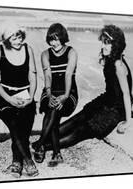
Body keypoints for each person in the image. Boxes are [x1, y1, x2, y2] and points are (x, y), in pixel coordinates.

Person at [32, 24, 133, 162]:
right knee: (76, 120)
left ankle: (41, 145)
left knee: (80, 132)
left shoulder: (118, 65)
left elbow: (127, 94)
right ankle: (41, 143)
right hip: (104, 101)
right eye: (103, 42)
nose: (103, 46)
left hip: (114, 110)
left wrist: (127, 121)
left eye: (107, 43)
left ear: (116, 45)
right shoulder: (109, 59)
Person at [0, 21, 38, 178]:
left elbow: (32, 75)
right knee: (14, 124)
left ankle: (16, 163)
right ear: (6, 40)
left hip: (25, 96)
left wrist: (31, 97)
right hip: (5, 98)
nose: (18, 41)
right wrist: (9, 100)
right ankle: (28, 160)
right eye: (14, 39)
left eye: (19, 37)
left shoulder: (28, 49)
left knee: (23, 129)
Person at [32, 23, 78, 167]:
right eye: (51, 39)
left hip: (69, 92)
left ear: (63, 38)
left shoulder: (71, 52)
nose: (54, 43)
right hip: (50, 90)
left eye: (57, 39)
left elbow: (68, 74)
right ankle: (56, 153)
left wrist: (64, 95)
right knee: (53, 110)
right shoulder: (45, 54)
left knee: (54, 111)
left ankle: (40, 144)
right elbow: (48, 76)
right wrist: (50, 94)